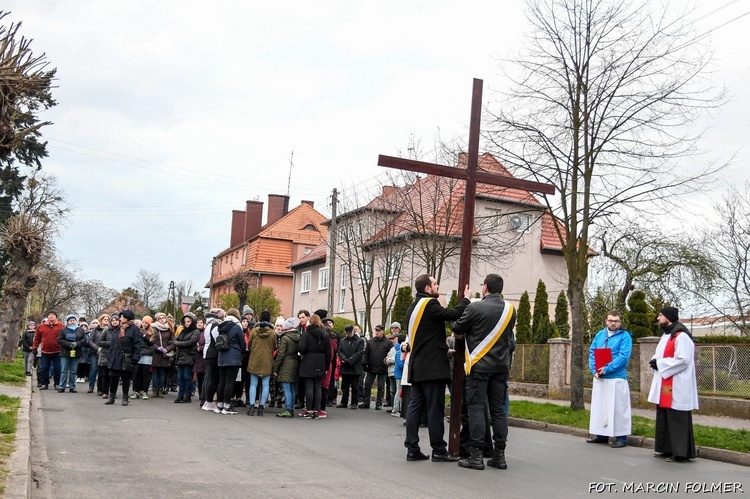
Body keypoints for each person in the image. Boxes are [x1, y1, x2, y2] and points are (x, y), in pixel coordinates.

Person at [403, 274, 471, 463]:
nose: (437, 286)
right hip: (432, 369)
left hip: (418, 366)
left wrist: (443, 350)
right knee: (434, 410)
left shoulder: (412, 307)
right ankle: (439, 450)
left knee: (415, 408)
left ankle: (412, 448)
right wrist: (466, 299)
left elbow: (426, 338)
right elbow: (453, 315)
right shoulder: (430, 304)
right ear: (427, 288)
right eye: (435, 284)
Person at [453, 274, 515, 471]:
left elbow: (457, 328)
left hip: (478, 367)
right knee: (498, 411)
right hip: (501, 367)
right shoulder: (510, 309)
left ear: (485, 288)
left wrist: (466, 300)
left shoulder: (475, 306)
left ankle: (476, 455)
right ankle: (499, 455)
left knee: (477, 409)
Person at [648, 306, 698, 462]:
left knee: (677, 417)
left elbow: (683, 359)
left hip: (678, 383)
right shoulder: (667, 335)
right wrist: (654, 362)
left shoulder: (681, 336)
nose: (658, 318)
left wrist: (661, 364)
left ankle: (681, 453)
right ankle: (666, 448)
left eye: (660, 315)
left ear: (668, 317)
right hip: (666, 382)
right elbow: (659, 355)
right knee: (665, 416)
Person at [586, 310, 633, 448]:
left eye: (616, 321)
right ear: (606, 321)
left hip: (616, 377)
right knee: (600, 407)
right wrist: (594, 370)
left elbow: (623, 357)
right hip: (600, 377)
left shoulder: (625, 336)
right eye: (611, 320)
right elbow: (592, 353)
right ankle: (601, 434)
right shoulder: (600, 335)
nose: (613, 323)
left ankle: (621, 437)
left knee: (618, 408)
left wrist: (607, 369)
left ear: (620, 322)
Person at [106, 310, 143, 406]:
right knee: (113, 377)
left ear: (128, 318)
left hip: (127, 357)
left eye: (122, 317)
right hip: (115, 357)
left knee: (126, 378)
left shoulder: (134, 329)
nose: (120, 318)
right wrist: (110, 356)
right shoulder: (118, 328)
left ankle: (125, 398)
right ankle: (111, 397)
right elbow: (113, 343)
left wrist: (135, 357)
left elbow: (138, 344)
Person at [298, 314, 330, 419]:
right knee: (318, 387)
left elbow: (302, 349)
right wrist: (326, 367)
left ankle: (309, 409)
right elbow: (328, 352)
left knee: (309, 387)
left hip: (308, 361)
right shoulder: (325, 334)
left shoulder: (307, 333)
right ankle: (317, 410)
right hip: (321, 361)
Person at [216, 308, 246, 415]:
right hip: (233, 357)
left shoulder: (221, 326)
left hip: (222, 356)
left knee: (222, 381)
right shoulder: (237, 327)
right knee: (230, 382)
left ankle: (219, 405)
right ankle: (227, 406)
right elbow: (243, 344)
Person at [246, 311, 276, 416]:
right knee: (265, 385)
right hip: (267, 360)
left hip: (255, 359)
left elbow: (249, 345)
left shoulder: (254, 331)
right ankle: (261, 407)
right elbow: (274, 346)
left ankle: (251, 407)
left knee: (253, 384)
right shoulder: (272, 332)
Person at [273, 318, 300, 418]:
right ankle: (291, 408)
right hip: (295, 363)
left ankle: (288, 409)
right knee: (292, 387)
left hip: (286, 364)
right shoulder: (298, 337)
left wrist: (276, 368)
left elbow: (281, 354)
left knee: (286, 387)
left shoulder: (285, 338)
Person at [360, 324, 391, 410]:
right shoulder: (371, 341)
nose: (377, 332)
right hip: (371, 367)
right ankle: (366, 402)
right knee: (367, 385)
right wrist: (364, 362)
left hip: (382, 368)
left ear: (383, 331)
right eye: (376, 330)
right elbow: (366, 353)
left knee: (381, 387)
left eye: (378, 331)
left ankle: (378, 403)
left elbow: (390, 355)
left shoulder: (388, 342)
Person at [172, 312, 201, 403]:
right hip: (180, 356)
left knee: (187, 377)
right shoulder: (183, 331)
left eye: (188, 321)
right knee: (180, 377)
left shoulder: (196, 331)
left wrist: (178, 344)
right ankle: (180, 395)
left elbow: (190, 342)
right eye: (185, 321)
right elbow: (175, 340)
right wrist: (178, 343)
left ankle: (187, 395)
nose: (186, 323)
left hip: (189, 356)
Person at [32, 311, 64, 390]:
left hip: (57, 351)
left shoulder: (61, 326)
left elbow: (64, 337)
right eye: (49, 315)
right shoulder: (41, 326)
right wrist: (34, 347)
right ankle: (44, 383)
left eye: (53, 315)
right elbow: (37, 338)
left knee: (58, 368)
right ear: (47, 317)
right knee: (44, 368)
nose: (51, 316)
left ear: (56, 317)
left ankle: (57, 383)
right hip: (45, 351)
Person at [337, 324, 364, 409]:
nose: (349, 335)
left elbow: (359, 353)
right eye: (347, 333)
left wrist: (351, 360)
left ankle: (354, 402)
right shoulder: (343, 341)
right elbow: (340, 351)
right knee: (344, 386)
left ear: (353, 331)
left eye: (350, 333)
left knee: (355, 386)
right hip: (345, 366)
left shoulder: (360, 341)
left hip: (355, 366)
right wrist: (344, 359)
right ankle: (343, 402)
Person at [201, 308, 224, 413]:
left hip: (207, 353)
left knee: (210, 379)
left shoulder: (208, 325)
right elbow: (217, 340)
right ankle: (209, 402)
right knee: (213, 379)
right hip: (213, 354)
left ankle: (207, 401)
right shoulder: (215, 326)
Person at [57, 314, 86, 393]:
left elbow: (84, 340)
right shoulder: (63, 330)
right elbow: (59, 340)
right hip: (65, 352)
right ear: (67, 321)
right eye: (70, 320)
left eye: (73, 320)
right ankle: (61, 386)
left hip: (76, 352)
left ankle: (72, 386)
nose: (72, 322)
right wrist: (69, 344)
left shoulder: (80, 330)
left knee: (73, 371)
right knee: (64, 370)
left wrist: (77, 343)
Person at [151, 312, 175, 397]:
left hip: (165, 355)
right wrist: (157, 347)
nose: (162, 320)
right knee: (155, 373)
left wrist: (167, 349)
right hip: (156, 353)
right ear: (157, 319)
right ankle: (154, 390)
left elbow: (173, 342)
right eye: (160, 318)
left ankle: (161, 390)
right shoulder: (153, 328)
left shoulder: (170, 329)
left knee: (162, 373)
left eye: (163, 318)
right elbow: (151, 340)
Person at [132, 316, 155, 400]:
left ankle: (145, 391)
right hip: (138, 354)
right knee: (136, 373)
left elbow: (151, 343)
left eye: (146, 323)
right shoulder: (137, 331)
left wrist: (144, 335)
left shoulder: (152, 332)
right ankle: (136, 391)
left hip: (147, 354)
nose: (144, 324)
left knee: (146, 374)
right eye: (143, 322)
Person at [295, 310, 310, 409]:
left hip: (309, 358)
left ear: (308, 317)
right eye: (300, 318)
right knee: (300, 380)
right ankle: (300, 400)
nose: (301, 319)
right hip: (299, 357)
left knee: (308, 381)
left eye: (303, 317)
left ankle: (308, 401)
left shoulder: (311, 329)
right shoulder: (297, 329)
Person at [86, 318, 103, 393]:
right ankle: (91, 386)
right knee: (93, 369)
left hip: (105, 353)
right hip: (94, 352)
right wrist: (97, 349)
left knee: (102, 371)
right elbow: (90, 341)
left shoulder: (109, 329)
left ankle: (101, 388)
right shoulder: (95, 330)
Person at [194, 318, 207, 406]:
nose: (199, 324)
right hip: (195, 357)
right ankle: (200, 394)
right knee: (198, 377)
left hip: (203, 357)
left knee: (203, 377)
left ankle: (203, 394)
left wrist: (201, 348)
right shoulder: (195, 332)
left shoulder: (205, 333)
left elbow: (207, 343)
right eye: (198, 322)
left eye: (200, 322)